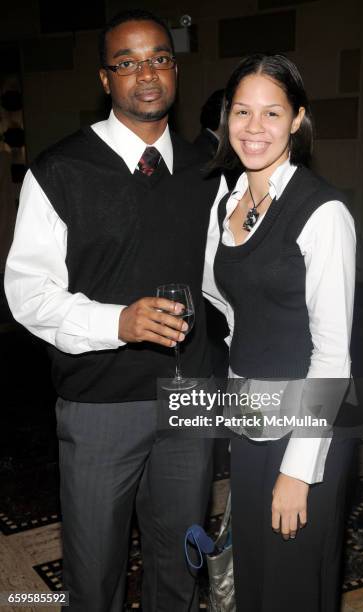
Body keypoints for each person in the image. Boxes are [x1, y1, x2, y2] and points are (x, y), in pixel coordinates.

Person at [5, 9, 222, 612]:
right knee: (94, 572)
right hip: (100, 402)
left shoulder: (207, 168)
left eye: (158, 59)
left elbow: (217, 278)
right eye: (127, 63)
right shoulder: (59, 170)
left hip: (191, 397)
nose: (146, 74)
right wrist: (116, 322)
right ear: (105, 80)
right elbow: (27, 293)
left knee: (179, 561)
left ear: (174, 69)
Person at [203, 54, 356, 611]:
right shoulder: (226, 200)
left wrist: (298, 469)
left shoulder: (324, 213)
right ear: (227, 117)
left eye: (272, 113)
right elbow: (225, 296)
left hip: (307, 431)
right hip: (250, 419)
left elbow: (334, 353)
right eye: (242, 111)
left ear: (297, 120)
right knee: (254, 581)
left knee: (293, 588)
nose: (253, 127)